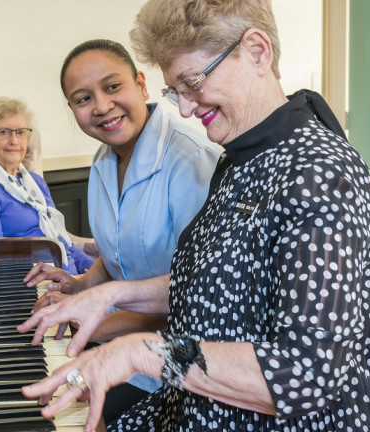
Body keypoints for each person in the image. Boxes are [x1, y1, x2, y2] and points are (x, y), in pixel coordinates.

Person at [18, 1, 370, 431]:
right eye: (175, 92)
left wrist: (137, 351)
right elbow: (217, 286)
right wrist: (110, 295)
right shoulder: (242, 157)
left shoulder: (319, 173)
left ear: (257, 52)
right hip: (203, 405)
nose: (184, 109)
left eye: (194, 83)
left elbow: (306, 372)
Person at [21, 39, 221, 419]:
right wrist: (81, 286)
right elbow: (119, 253)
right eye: (83, 99)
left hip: (175, 367)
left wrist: (93, 323)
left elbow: (197, 299)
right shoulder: (102, 160)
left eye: (112, 87)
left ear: (141, 85)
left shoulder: (191, 162)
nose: (100, 106)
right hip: (119, 340)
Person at [0, 97, 94, 275]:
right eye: (3, 132)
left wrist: (93, 273)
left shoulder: (34, 181)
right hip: (36, 281)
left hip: (68, 276)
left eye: (20, 132)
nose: (14, 140)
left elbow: (63, 243)